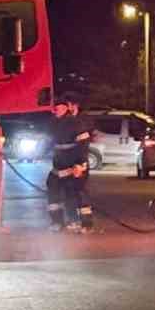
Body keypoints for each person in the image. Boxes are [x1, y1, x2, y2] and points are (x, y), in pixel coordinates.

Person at [46, 96, 97, 233]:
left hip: (75, 165)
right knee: (53, 191)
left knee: (79, 193)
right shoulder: (53, 123)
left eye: (56, 108)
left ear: (65, 108)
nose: (54, 111)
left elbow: (83, 144)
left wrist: (79, 164)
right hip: (59, 166)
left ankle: (87, 224)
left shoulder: (76, 123)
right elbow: (50, 142)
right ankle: (58, 221)